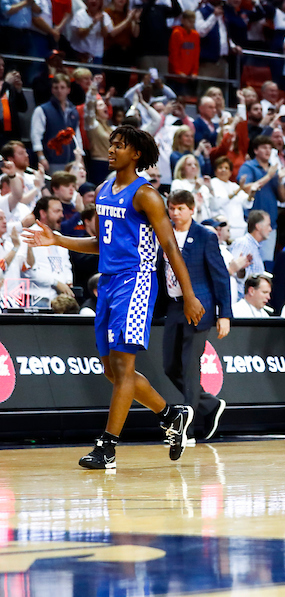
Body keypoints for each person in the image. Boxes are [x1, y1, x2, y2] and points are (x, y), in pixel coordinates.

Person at [23, 125, 201, 469]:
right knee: (111, 370)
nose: (112, 149)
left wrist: (189, 295)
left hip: (136, 283)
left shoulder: (146, 195)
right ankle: (170, 415)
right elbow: (101, 245)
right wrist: (59, 240)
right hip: (107, 283)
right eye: (112, 144)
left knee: (122, 369)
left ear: (136, 154)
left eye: (120, 146)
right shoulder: (104, 190)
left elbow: (170, 247)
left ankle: (107, 448)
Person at [160, 190, 232, 441]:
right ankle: (209, 405)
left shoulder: (205, 236)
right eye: (171, 208)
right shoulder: (163, 231)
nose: (175, 213)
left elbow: (220, 276)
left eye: (180, 208)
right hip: (172, 306)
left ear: (192, 209)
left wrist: (225, 314)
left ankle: (186, 431)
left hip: (198, 307)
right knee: (170, 366)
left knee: (190, 368)